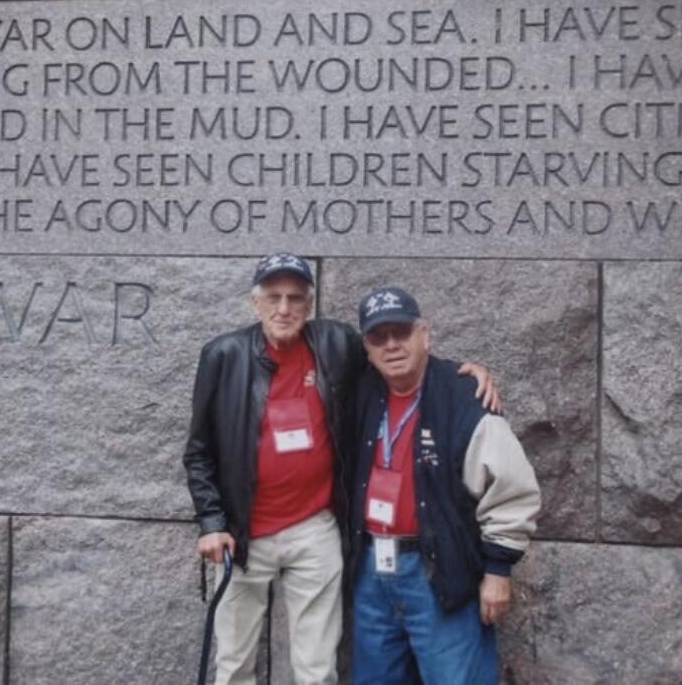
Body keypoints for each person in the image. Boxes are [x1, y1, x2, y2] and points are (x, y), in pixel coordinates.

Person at [183, 253, 501, 685]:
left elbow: (396, 357)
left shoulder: (336, 345)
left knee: (317, 669)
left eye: (295, 298)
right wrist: (211, 522)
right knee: (234, 663)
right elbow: (199, 450)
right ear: (253, 304)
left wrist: (458, 375)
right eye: (273, 297)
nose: (284, 308)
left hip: (314, 529)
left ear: (309, 304)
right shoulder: (223, 356)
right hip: (242, 535)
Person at [347, 285, 540, 684]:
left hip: (438, 571)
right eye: (378, 337)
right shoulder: (360, 392)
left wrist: (498, 569)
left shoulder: (462, 395)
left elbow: (511, 488)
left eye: (401, 332)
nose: (392, 345)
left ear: (425, 336)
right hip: (371, 571)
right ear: (366, 349)